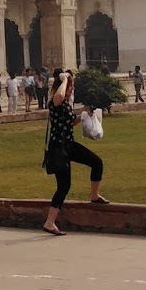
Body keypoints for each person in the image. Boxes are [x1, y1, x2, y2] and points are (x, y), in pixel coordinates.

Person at [40, 70, 109, 235]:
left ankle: (94, 195)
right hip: (58, 148)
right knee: (64, 186)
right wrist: (65, 80)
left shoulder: (66, 104)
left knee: (96, 162)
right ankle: (49, 223)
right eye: (70, 87)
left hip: (69, 144)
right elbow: (58, 97)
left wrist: (84, 114)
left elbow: (70, 123)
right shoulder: (55, 101)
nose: (72, 89)